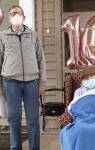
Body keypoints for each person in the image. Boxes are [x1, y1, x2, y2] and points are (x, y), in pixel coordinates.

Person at [0, 5, 47, 150]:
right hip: (10, 83)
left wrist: (42, 83)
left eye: (18, 13)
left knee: (33, 120)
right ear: (9, 18)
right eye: (12, 13)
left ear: (24, 17)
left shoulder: (33, 35)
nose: (15, 15)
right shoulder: (2, 36)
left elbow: (41, 60)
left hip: (32, 83)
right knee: (14, 120)